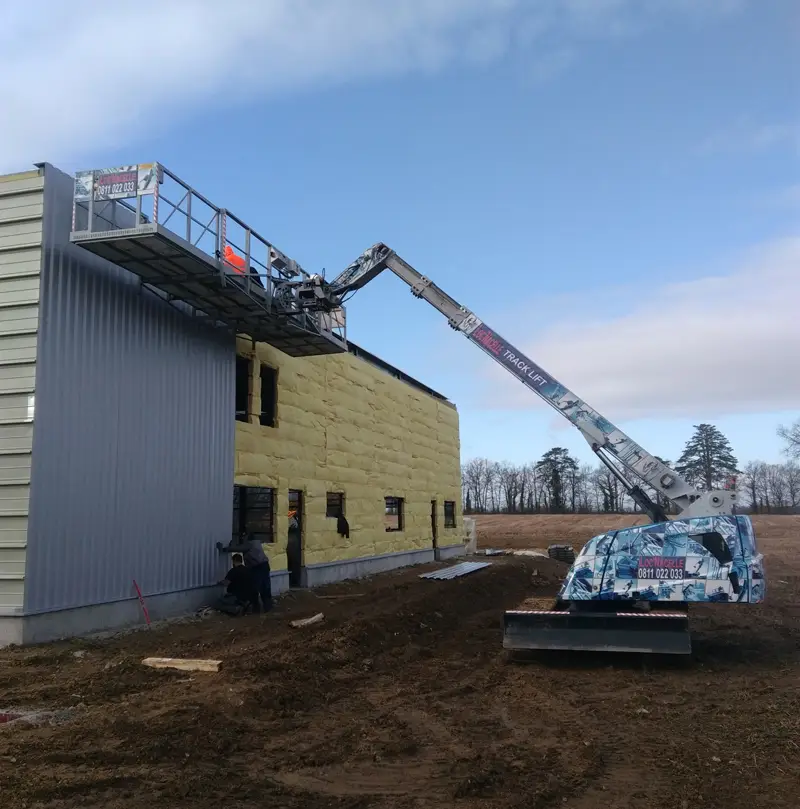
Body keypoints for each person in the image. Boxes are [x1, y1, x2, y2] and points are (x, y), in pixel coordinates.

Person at [217, 533, 273, 612]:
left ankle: (256, 608)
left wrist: (224, 549)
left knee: (255, 588)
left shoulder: (250, 544)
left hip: (257, 567)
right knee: (265, 587)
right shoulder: (256, 543)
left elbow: (238, 549)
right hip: (264, 566)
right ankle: (268, 607)